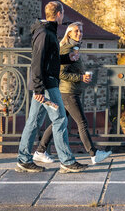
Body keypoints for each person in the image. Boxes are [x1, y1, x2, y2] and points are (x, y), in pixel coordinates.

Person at [16, 1, 88, 173]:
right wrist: (39, 89)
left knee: (34, 121)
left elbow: (49, 59)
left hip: (45, 82)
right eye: (62, 13)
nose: (63, 17)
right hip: (47, 84)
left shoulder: (47, 31)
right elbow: (37, 62)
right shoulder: (44, 33)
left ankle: (23, 159)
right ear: (58, 14)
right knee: (61, 119)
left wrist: (66, 59)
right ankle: (66, 161)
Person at [34, 22, 112, 165]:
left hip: (68, 91)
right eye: (76, 31)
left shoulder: (74, 48)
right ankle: (94, 154)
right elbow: (61, 72)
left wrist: (81, 75)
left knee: (59, 121)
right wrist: (81, 77)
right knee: (82, 122)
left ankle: (40, 151)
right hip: (68, 93)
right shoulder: (67, 48)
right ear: (69, 33)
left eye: (81, 31)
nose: (79, 33)